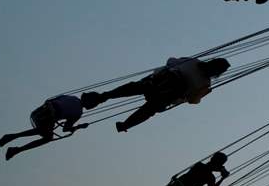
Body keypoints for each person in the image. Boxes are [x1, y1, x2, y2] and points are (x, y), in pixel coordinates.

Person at [86, 56, 230, 133]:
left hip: (153, 83)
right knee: (148, 111)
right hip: (163, 98)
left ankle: (103, 96)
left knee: (131, 88)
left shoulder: (193, 61)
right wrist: (203, 93)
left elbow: (171, 62)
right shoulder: (205, 84)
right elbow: (192, 100)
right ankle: (125, 125)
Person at [0, 93, 100, 159]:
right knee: (47, 137)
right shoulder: (78, 112)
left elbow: (54, 99)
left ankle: (13, 139)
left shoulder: (72, 97)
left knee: (44, 130)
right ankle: (16, 147)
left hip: (41, 111)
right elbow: (66, 129)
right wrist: (79, 127)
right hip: (49, 116)